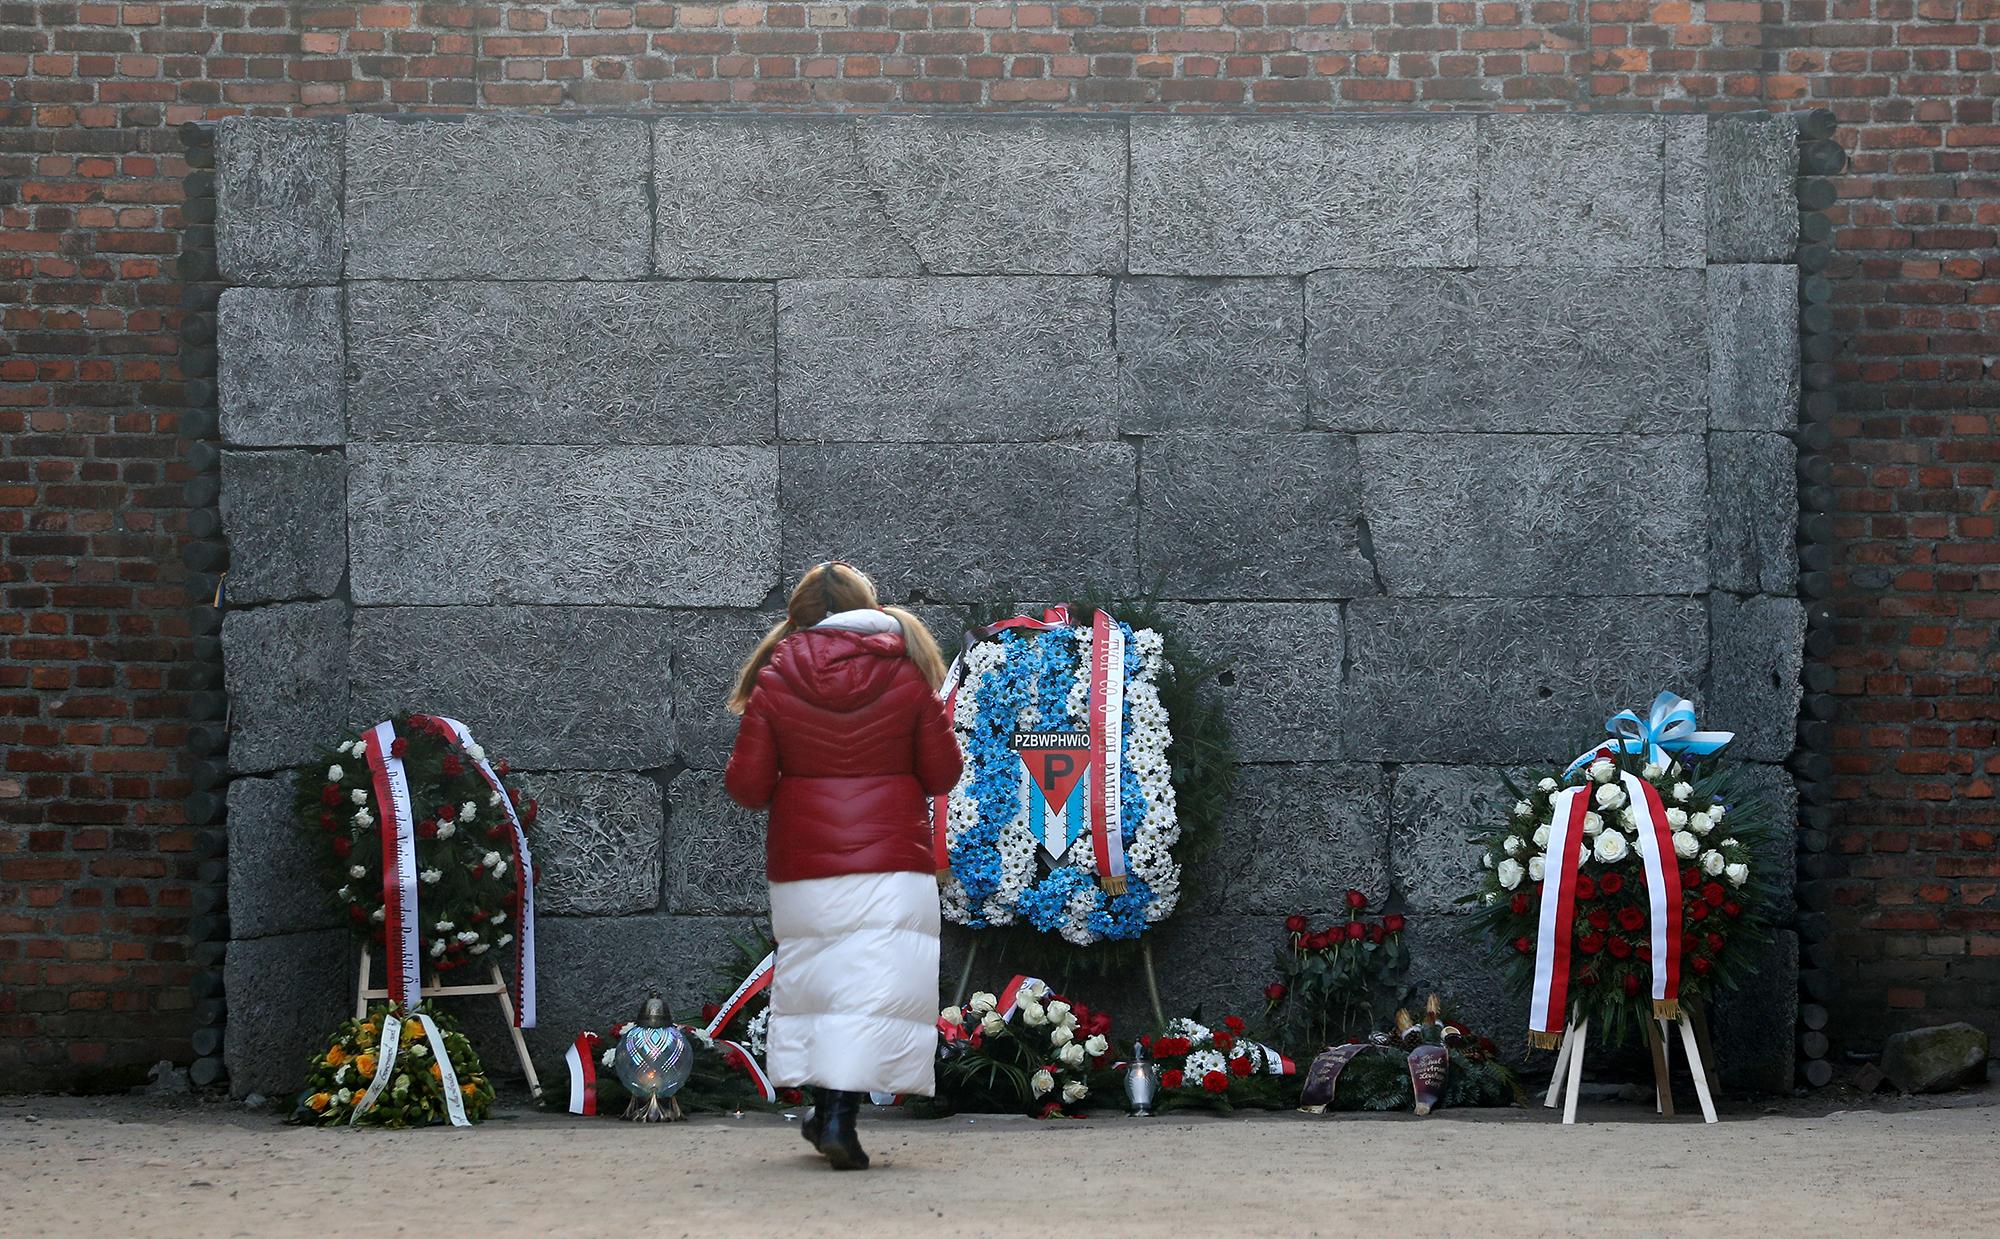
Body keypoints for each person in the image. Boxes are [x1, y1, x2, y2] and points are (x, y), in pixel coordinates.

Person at [724, 561, 962, 1170]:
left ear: (798, 616)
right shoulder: (908, 673)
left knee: (820, 989)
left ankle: (824, 1111)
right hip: (890, 860)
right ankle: (837, 1117)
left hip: (805, 864)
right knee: (870, 992)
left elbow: (748, 787)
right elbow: (942, 774)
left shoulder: (776, 678)